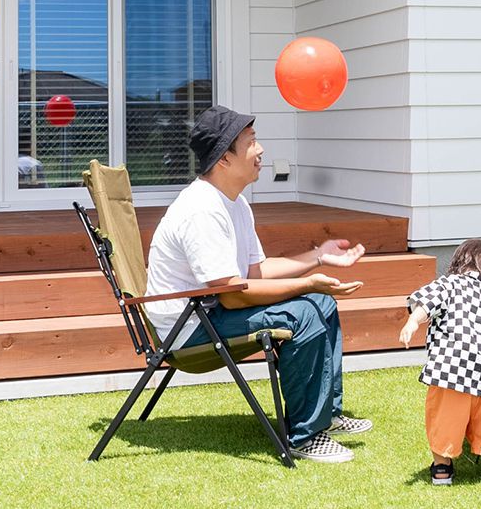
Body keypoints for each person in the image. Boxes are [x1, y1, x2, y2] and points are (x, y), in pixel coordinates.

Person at [143, 105, 374, 463]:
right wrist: (307, 284)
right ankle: (305, 435)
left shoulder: (234, 203)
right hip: (188, 330)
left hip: (212, 310)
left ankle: (326, 413)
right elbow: (234, 298)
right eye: (251, 142)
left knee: (322, 304)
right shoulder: (202, 210)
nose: (261, 149)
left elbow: (256, 272)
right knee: (304, 313)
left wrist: (318, 256)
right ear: (223, 159)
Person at [400, 239, 481, 484]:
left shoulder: (449, 283)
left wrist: (413, 322)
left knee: (445, 418)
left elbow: (427, 302)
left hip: (449, 369)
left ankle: (442, 468)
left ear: (459, 262)